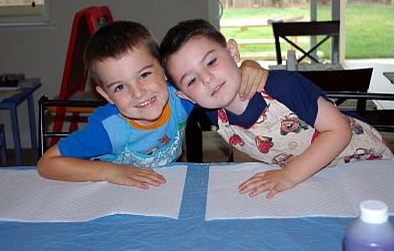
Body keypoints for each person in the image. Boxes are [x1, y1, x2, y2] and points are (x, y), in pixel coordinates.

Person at [160, 18, 393, 199]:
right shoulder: (213, 110)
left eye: (211, 62)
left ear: (232, 52)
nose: (207, 79)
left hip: (365, 165)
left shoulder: (283, 86)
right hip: (318, 177)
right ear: (184, 95)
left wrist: (289, 174)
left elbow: (340, 131)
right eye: (192, 81)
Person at [37, 20, 268, 189]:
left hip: (161, 191)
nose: (138, 93)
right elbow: (47, 164)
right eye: (119, 87)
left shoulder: (181, 98)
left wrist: (248, 66)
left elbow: (221, 81)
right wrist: (110, 172)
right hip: (109, 196)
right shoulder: (109, 130)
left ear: (165, 70)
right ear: (106, 96)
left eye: (145, 75)